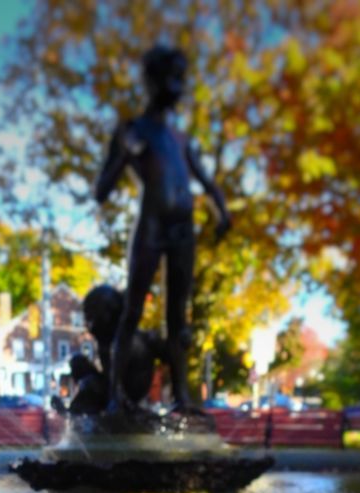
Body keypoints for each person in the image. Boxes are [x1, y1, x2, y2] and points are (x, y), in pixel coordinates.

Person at [95, 43, 230, 412]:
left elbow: (205, 178)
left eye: (181, 79)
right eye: (173, 79)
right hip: (152, 225)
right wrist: (125, 154)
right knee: (133, 309)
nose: (179, 87)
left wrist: (223, 211)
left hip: (182, 229)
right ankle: (113, 395)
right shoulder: (132, 130)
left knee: (178, 317)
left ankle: (182, 397)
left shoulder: (182, 140)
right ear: (154, 82)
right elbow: (100, 191)